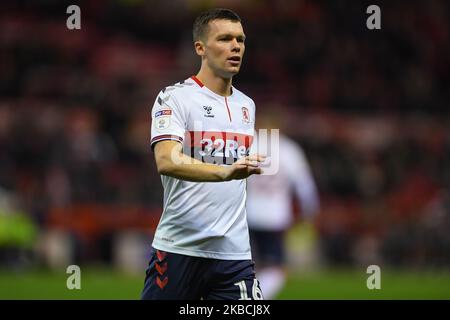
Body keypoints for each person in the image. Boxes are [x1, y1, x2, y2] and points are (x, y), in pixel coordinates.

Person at [142, 8, 265, 300]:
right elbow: (166, 159)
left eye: (240, 40)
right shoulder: (174, 97)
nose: (235, 46)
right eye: (224, 39)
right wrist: (225, 172)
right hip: (179, 249)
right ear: (200, 48)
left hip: (234, 255)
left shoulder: (247, 106)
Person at [246, 113, 320, 299]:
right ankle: (256, 299)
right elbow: (305, 186)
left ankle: (245, 298)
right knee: (276, 270)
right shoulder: (289, 149)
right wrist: (310, 213)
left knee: (244, 266)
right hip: (275, 217)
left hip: (247, 215)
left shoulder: (248, 145)